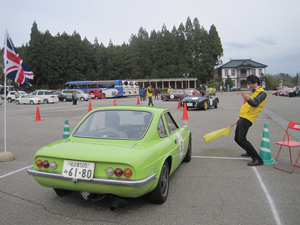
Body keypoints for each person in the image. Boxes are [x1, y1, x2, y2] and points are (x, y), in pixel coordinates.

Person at [234, 75, 267, 166]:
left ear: (256, 82)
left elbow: (255, 104)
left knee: (241, 139)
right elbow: (248, 106)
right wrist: (240, 117)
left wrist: (247, 98)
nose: (249, 85)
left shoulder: (262, 93)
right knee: (237, 138)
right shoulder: (254, 92)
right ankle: (249, 151)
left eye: (250, 83)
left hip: (248, 118)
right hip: (243, 117)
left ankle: (257, 159)